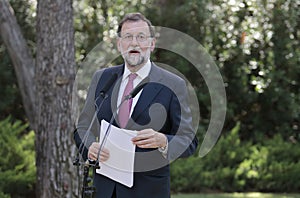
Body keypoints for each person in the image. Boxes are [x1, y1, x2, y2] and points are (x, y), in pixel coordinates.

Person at [74, 12, 198, 198]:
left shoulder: (173, 84)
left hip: (148, 192)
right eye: (128, 37)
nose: (134, 43)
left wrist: (163, 141)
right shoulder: (102, 78)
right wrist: (90, 146)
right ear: (119, 44)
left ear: (152, 44)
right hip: (105, 191)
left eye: (141, 37)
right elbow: (83, 127)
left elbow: (189, 140)